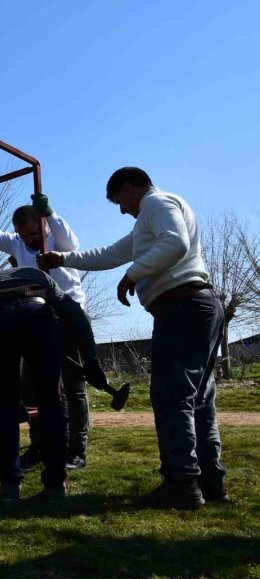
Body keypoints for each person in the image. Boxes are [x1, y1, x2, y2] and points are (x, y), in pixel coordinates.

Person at [38, 167, 227, 509]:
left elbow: (176, 242)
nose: (123, 210)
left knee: (171, 397)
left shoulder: (156, 203)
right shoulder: (148, 221)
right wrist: (62, 258)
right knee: (197, 397)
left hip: (182, 307)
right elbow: (109, 253)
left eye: (119, 202)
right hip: (198, 306)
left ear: (128, 188)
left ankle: (182, 482)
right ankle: (210, 481)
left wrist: (133, 275)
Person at [0, 189, 91, 471]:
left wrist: (49, 212)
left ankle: (76, 450)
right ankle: (40, 445)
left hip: (68, 313)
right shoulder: (17, 244)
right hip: (38, 317)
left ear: (42, 224)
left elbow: (72, 242)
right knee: (31, 386)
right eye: (24, 236)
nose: (30, 240)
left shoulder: (56, 238)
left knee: (72, 385)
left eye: (33, 234)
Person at [0, 267, 112, 502]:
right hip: (36, 314)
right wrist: (91, 361)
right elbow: (75, 314)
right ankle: (55, 485)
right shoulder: (44, 279)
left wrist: (5, 390)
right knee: (50, 400)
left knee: (6, 401)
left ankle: (9, 486)